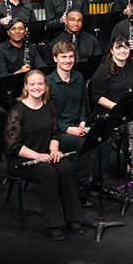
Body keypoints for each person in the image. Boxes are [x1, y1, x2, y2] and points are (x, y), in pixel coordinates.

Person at [5, 69, 85, 240]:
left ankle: (74, 218)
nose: (36, 87)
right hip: (22, 160)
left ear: (45, 85)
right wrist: (37, 156)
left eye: (40, 83)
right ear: (26, 86)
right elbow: (13, 146)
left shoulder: (49, 106)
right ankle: (54, 224)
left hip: (46, 155)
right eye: (32, 84)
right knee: (49, 173)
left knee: (66, 168)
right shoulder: (17, 111)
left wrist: (54, 150)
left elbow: (55, 134)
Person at [91, 36, 133, 177]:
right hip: (112, 111)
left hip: (132, 109)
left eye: (125, 47)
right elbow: (97, 97)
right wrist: (117, 107)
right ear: (111, 50)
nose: (122, 51)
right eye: (118, 47)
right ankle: (130, 166)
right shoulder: (103, 68)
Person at [45, 41, 90, 194]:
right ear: (55, 58)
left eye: (71, 56)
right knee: (83, 144)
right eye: (63, 57)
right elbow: (48, 116)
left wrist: (83, 120)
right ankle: (79, 188)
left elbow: (83, 103)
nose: (68, 60)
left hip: (77, 125)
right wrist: (68, 129)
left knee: (104, 140)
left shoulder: (79, 77)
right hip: (58, 132)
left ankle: (97, 181)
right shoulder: (47, 83)